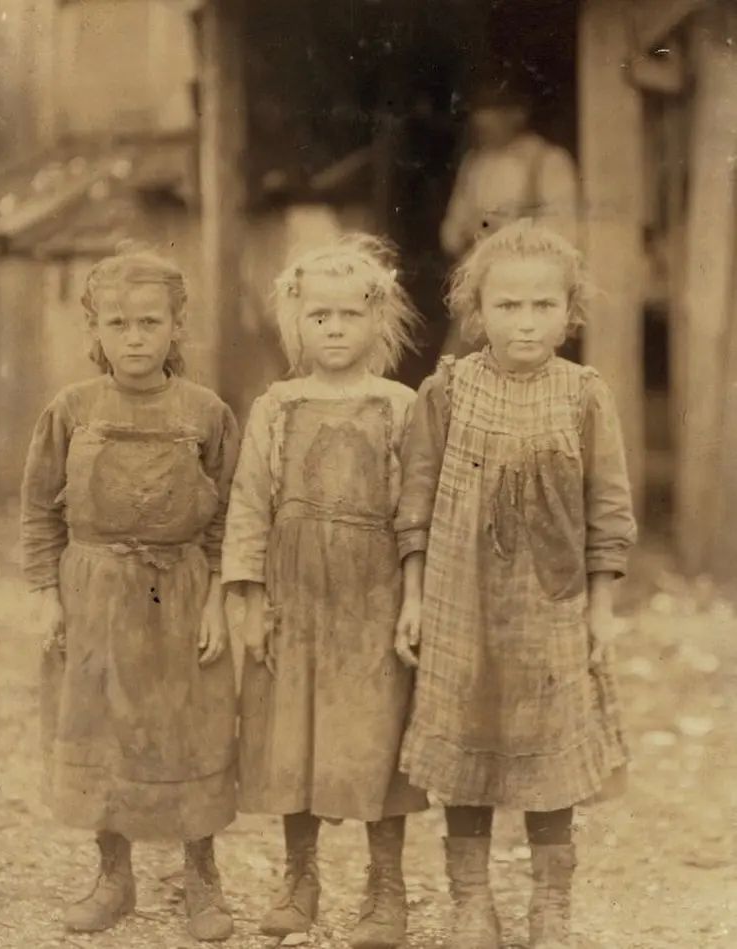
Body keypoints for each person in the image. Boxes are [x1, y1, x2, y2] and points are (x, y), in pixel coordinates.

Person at [394, 221, 637, 949]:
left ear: (569, 313)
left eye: (541, 306)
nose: (525, 322)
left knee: (551, 752)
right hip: (456, 599)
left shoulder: (584, 395)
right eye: (507, 306)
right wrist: (411, 597)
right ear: (476, 312)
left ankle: (548, 907)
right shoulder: (447, 391)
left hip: (551, 605)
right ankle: (471, 903)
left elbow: (608, 507)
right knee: (465, 750)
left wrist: (602, 610)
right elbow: (415, 498)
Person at [20, 248, 240, 942]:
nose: (135, 336)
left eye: (151, 321)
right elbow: (38, 512)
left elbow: (232, 515)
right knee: (102, 728)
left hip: (181, 590)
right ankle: (112, 876)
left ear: (179, 326)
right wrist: (49, 594)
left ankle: (201, 875)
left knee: (190, 726)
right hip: (95, 591)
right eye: (118, 322)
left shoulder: (206, 412)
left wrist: (216, 603)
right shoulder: (71, 409)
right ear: (95, 329)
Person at [221, 234, 428, 949]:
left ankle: (385, 885)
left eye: (348, 315)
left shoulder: (400, 406)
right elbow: (248, 505)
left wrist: (413, 596)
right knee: (293, 735)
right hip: (294, 594)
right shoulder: (275, 407)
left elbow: (414, 514)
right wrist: (246, 598)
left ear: (378, 321)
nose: (334, 328)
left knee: (376, 734)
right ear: (295, 323)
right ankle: (299, 877)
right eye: (319, 316)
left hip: (370, 596)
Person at [439, 77, 580, 358]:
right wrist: (471, 229)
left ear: (518, 114)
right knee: (460, 376)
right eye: (478, 111)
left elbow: (566, 235)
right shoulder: (474, 165)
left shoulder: (549, 161)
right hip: (479, 296)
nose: (481, 120)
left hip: (530, 295)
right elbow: (450, 234)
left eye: (492, 111)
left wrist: (508, 232)